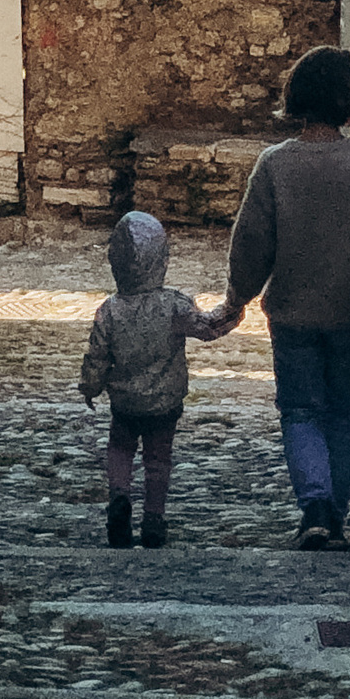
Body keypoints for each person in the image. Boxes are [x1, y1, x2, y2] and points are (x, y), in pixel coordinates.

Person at [223, 45, 350, 549]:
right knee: (344, 414)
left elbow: (252, 245)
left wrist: (235, 299)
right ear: (347, 101)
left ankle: (312, 505)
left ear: (295, 100)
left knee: (299, 412)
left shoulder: (274, 167)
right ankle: (335, 512)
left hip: (292, 316)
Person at [78, 208, 242, 548]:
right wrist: (233, 310)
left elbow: (97, 356)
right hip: (165, 403)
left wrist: (90, 387)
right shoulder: (173, 307)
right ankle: (154, 517)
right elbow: (207, 327)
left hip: (124, 402)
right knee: (157, 458)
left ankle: (119, 495)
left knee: (120, 448)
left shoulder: (109, 311)